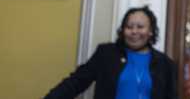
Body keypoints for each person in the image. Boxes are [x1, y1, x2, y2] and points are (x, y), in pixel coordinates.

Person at [44, 6, 178, 99]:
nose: (134, 31)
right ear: (123, 30)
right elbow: (76, 82)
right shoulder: (106, 54)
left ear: (150, 32)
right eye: (129, 27)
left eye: (140, 27)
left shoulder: (165, 64)